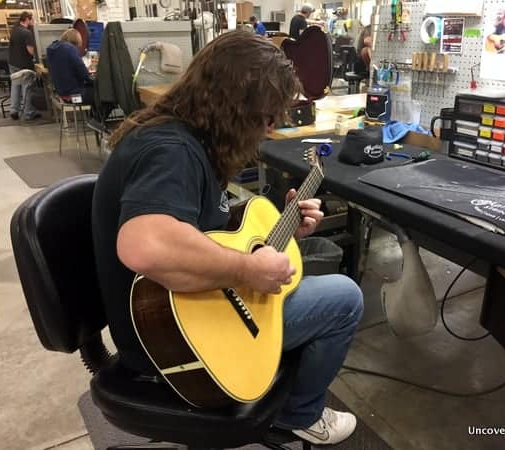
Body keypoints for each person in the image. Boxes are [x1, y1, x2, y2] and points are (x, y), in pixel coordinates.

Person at [92, 31, 363, 446]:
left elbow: (206, 227)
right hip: (170, 339)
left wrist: (284, 218)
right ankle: (299, 415)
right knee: (345, 297)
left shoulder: (181, 136)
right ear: (235, 107)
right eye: (265, 118)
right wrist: (247, 268)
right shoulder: (171, 149)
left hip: (176, 315)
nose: (268, 129)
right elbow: (144, 244)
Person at [46, 28, 94, 105]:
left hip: (62, 94)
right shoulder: (70, 49)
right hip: (76, 96)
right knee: (105, 94)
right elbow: (84, 74)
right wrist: (96, 82)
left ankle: (95, 115)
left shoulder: (53, 50)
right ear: (77, 40)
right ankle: (97, 116)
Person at [8, 11, 39, 120]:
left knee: (15, 86)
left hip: (13, 63)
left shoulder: (14, 30)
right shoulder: (27, 33)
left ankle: (14, 110)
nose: (34, 21)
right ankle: (28, 112)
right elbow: (30, 51)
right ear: (27, 19)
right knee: (27, 88)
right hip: (24, 65)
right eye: (32, 19)